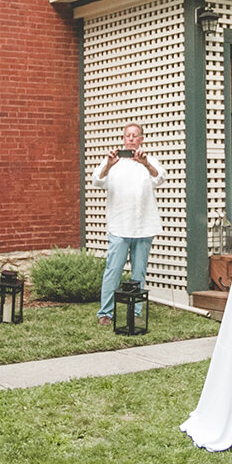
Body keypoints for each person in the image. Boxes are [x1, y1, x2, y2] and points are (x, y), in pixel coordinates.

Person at [95, 122, 161, 324]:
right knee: (113, 270)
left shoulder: (150, 161)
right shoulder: (113, 162)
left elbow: (161, 178)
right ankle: (106, 313)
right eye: (128, 135)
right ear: (123, 139)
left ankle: (136, 312)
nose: (131, 138)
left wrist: (146, 164)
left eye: (135, 135)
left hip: (143, 226)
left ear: (141, 139)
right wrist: (108, 165)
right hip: (119, 226)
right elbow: (97, 181)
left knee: (138, 272)